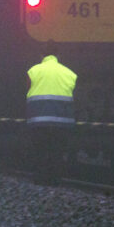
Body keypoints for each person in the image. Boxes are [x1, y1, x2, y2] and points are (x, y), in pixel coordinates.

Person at [26, 49, 77, 181]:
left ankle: (40, 178)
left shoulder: (34, 71)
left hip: (39, 119)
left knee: (40, 150)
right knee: (57, 151)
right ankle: (55, 179)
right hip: (62, 121)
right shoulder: (69, 73)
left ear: (41, 55)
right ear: (59, 56)